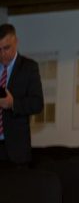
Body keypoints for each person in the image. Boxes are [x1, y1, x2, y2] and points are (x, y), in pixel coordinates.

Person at [0, 24, 43, 168]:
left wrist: (13, 104)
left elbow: (37, 103)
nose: (2, 54)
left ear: (16, 42)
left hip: (16, 151)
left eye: (6, 48)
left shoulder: (29, 67)